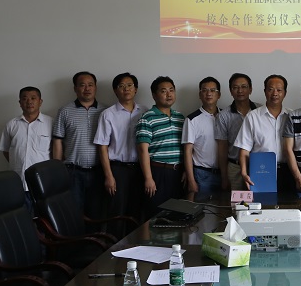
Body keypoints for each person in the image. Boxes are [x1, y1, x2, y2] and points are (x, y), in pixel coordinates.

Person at [93, 73, 148, 236]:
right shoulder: (108, 114)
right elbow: (102, 147)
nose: (126, 89)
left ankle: (134, 245)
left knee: (136, 210)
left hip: (139, 168)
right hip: (117, 169)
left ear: (136, 89)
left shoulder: (145, 111)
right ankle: (114, 246)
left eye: (129, 85)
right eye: (121, 86)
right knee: (116, 211)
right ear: (115, 91)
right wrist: (109, 176)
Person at [52, 71, 106, 219]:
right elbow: (57, 141)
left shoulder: (106, 111)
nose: (87, 88)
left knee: (97, 213)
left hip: (99, 172)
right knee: (73, 213)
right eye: (82, 85)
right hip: (73, 172)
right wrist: (57, 171)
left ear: (95, 87)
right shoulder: (64, 111)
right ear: (75, 88)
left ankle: (95, 235)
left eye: (90, 85)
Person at [0, 86, 53, 213]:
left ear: (40, 101)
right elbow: (6, 150)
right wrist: (19, 163)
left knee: (44, 217)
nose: (29, 102)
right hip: (19, 182)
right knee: (23, 216)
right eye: (25, 99)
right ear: (20, 102)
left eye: (33, 98)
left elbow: (57, 150)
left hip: (43, 182)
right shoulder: (11, 124)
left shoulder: (51, 123)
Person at [136, 76, 185, 217]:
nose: (169, 94)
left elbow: (186, 148)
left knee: (177, 214)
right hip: (158, 172)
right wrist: (148, 178)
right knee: (156, 215)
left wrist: (186, 170)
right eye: (163, 91)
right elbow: (142, 150)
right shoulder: (147, 118)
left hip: (178, 173)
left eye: (171, 90)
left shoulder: (180, 118)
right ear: (154, 95)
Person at [234, 74, 293, 193]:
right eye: (270, 89)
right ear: (265, 91)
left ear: (285, 93)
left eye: (279, 90)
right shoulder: (252, 117)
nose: (275, 93)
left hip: (288, 170)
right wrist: (244, 173)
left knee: (288, 203)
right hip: (261, 171)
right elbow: (244, 150)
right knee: (263, 202)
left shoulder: (292, 116)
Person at [215, 73, 260, 191]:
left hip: (259, 166)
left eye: (244, 87)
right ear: (230, 91)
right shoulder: (223, 116)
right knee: (236, 201)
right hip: (235, 167)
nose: (240, 90)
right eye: (235, 87)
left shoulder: (261, 111)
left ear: (250, 89)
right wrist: (224, 176)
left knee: (260, 200)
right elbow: (222, 148)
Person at [182, 76, 222, 196]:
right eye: (204, 90)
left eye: (213, 90)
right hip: (201, 175)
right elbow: (187, 151)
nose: (208, 93)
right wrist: (191, 180)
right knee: (202, 207)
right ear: (200, 95)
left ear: (219, 95)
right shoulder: (192, 119)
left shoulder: (225, 116)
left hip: (224, 174)